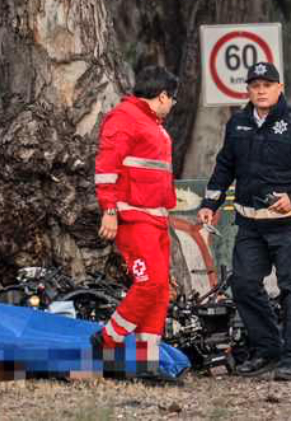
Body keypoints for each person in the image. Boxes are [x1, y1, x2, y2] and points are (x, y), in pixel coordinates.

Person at [197, 62, 291, 381]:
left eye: (267, 85)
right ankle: (268, 350)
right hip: (250, 226)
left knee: (290, 289)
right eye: (255, 86)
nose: (261, 91)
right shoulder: (237, 124)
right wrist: (209, 203)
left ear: (279, 88)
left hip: (290, 227)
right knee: (243, 285)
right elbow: (224, 167)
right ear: (248, 90)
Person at [91, 66, 180, 376]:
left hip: (156, 219)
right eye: (173, 100)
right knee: (149, 283)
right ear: (163, 96)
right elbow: (106, 168)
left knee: (160, 290)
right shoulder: (124, 118)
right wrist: (109, 211)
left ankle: (146, 365)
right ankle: (106, 340)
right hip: (134, 218)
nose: (172, 106)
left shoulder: (152, 124)